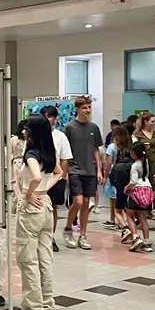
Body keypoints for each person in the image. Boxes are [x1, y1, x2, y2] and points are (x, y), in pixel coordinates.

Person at [15, 115, 62, 310]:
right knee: (45, 259)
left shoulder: (31, 154)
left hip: (31, 210)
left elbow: (35, 177)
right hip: (45, 206)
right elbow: (59, 173)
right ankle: (47, 307)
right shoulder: (48, 152)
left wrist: (27, 194)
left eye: (26, 129)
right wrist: (43, 191)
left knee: (28, 260)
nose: (23, 132)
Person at [63, 96, 103, 250]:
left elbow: (96, 149)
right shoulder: (69, 127)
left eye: (89, 107)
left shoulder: (93, 128)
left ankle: (83, 235)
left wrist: (99, 170)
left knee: (86, 203)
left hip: (90, 170)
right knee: (78, 202)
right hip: (74, 169)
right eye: (84, 108)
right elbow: (65, 151)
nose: (87, 110)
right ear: (77, 109)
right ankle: (68, 229)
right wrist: (65, 172)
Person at [41, 105, 73, 253]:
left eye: (49, 117)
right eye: (44, 116)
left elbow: (65, 159)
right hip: (39, 177)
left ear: (54, 118)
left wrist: (63, 176)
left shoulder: (60, 136)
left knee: (52, 207)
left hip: (55, 177)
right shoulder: (36, 135)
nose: (47, 120)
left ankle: (50, 237)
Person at [125, 142, 155, 252]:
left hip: (136, 191)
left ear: (133, 153)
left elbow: (133, 181)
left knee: (130, 215)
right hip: (147, 189)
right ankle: (147, 242)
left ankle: (135, 237)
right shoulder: (145, 162)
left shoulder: (134, 165)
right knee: (143, 218)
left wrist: (126, 188)